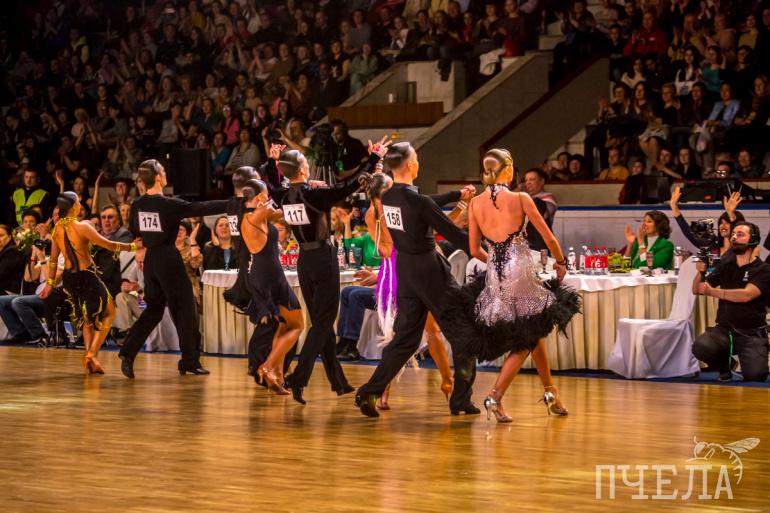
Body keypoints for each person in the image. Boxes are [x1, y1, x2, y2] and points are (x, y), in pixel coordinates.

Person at [440, 149, 579, 423]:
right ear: (508, 170)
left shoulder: (475, 203)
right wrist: (561, 262)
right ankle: (495, 396)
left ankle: (551, 392)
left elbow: (474, 249)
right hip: (520, 272)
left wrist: (496, 262)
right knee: (525, 338)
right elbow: (549, 238)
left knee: (532, 331)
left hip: (496, 274)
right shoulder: (520, 198)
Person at [354, 141, 478, 418]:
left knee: (405, 341)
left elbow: (426, 202)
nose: (419, 163)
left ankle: (369, 393)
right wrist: (488, 251)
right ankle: (460, 399)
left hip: (405, 272)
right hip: (429, 271)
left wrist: (457, 194)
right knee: (464, 332)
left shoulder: (388, 197)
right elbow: (452, 231)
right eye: (417, 159)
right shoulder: (417, 201)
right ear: (411, 165)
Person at [277, 138, 389, 404]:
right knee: (324, 321)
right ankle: (299, 376)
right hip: (322, 258)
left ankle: (338, 382)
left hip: (303, 260)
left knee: (321, 322)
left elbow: (280, 186)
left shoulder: (283, 196)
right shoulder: (314, 195)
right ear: (302, 169)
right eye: (306, 163)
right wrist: (373, 159)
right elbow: (348, 187)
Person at [118, 159, 229, 379]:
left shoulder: (137, 204)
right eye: (163, 171)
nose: (165, 173)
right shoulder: (169, 204)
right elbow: (201, 207)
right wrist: (233, 203)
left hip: (151, 260)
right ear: (158, 177)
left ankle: (127, 354)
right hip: (168, 258)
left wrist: (145, 246)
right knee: (185, 309)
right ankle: (190, 361)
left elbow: (135, 230)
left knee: (153, 309)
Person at [40, 192, 136, 373]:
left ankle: (90, 358)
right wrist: (133, 246)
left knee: (88, 318)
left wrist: (50, 284)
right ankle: (91, 354)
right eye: (78, 202)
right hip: (86, 277)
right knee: (109, 313)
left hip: (69, 279)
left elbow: (52, 260)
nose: (80, 205)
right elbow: (108, 244)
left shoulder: (57, 228)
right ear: (73, 207)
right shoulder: (82, 227)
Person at [240, 178, 303, 394]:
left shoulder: (251, 216)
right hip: (270, 276)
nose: (268, 196)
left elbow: (282, 214)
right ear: (259, 196)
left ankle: (276, 374)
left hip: (265, 274)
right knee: (297, 325)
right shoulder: (258, 214)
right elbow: (278, 211)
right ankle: (267, 367)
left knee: (283, 325)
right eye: (266, 193)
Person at [692, 222, 770, 382]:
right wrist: (700, 272)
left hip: (751, 333)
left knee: (756, 376)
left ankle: (750, 356)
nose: (734, 237)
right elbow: (697, 290)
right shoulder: (726, 265)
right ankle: (725, 366)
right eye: (733, 234)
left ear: (753, 239)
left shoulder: (763, 269)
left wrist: (712, 292)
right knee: (701, 346)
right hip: (724, 330)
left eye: (740, 234)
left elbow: (746, 295)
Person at [669, 187, 742, 255]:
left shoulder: (742, 250)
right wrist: (674, 206)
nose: (723, 225)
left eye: (727, 223)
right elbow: (689, 234)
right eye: (721, 223)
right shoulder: (711, 246)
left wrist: (731, 215)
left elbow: (737, 230)